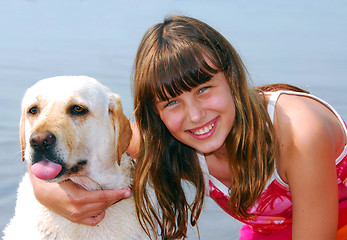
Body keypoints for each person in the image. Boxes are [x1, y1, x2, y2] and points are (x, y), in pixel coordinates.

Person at [29, 15, 347, 239]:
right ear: (155, 114)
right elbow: (60, 147)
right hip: (266, 230)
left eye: (203, 89)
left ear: (232, 77)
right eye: (171, 102)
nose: (195, 115)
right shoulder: (159, 137)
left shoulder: (299, 133)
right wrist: (46, 193)